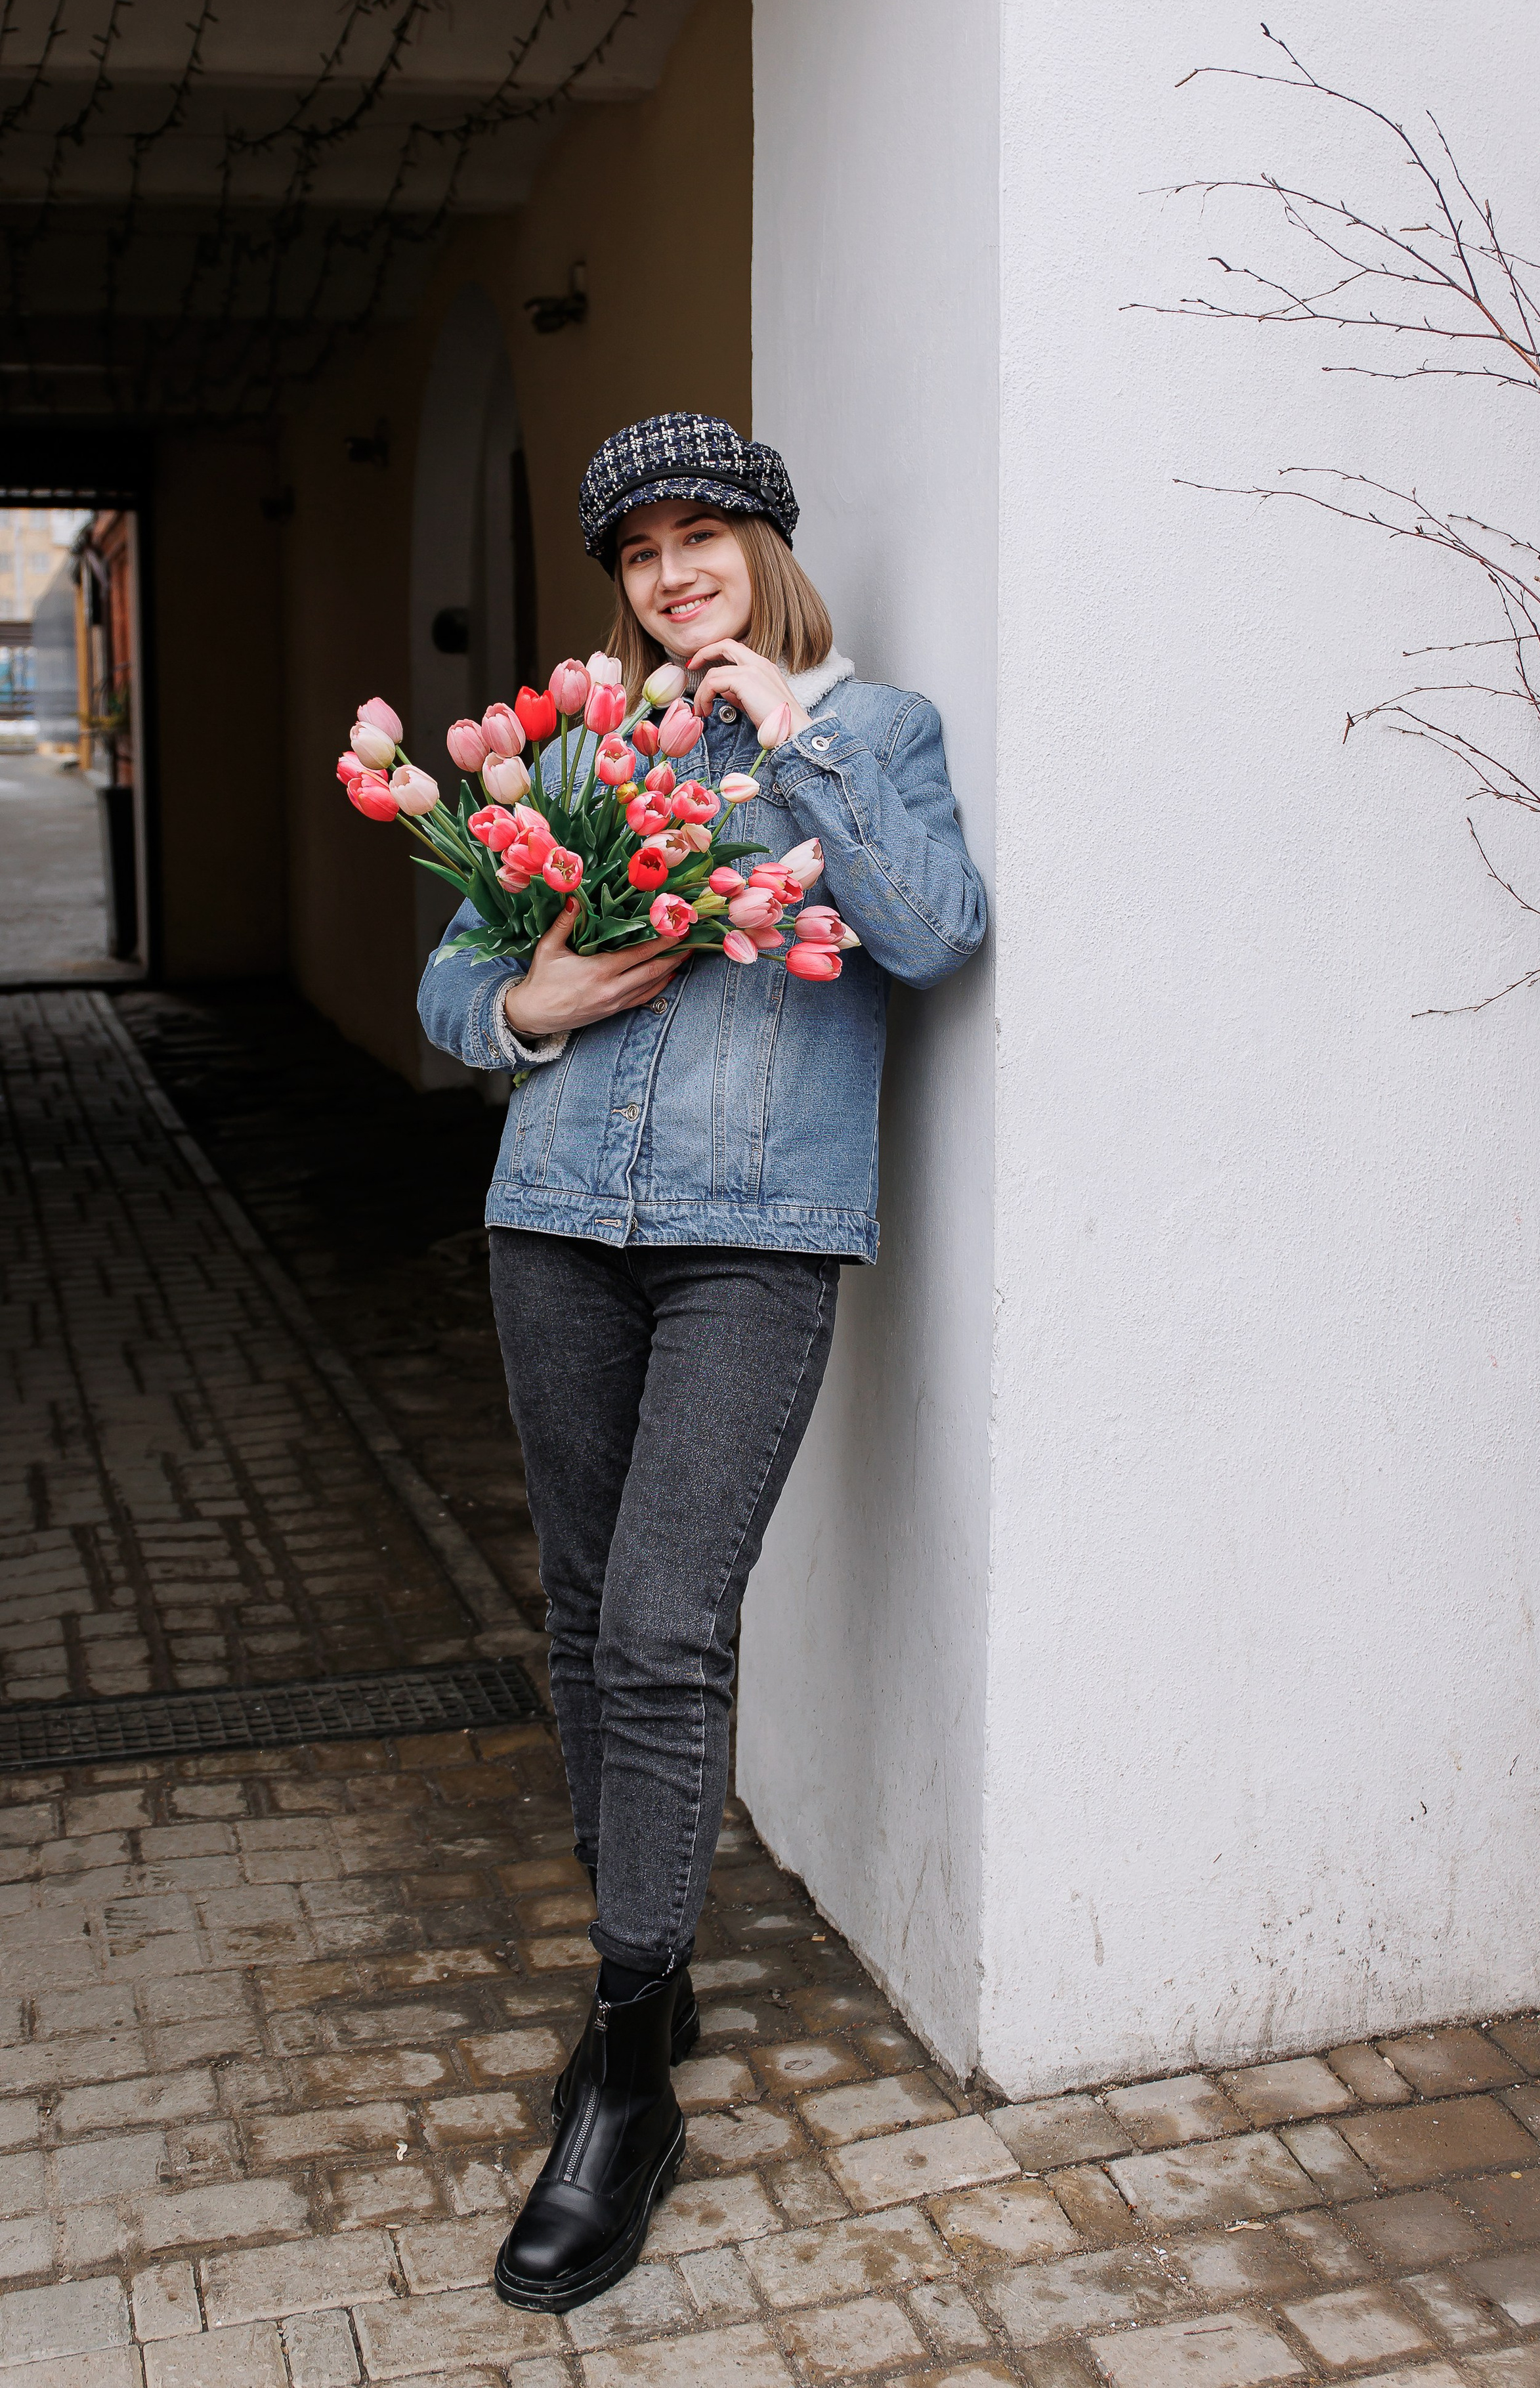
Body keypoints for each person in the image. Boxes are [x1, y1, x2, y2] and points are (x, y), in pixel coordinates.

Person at [417, 411, 987, 2315]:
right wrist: (527, 994)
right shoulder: (584, 748)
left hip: (757, 1236)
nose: (671, 575)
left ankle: (631, 2072)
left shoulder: (872, 731)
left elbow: (932, 930)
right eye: (642, 551)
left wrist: (794, 742)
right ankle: (632, 1992)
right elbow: (448, 978)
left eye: (703, 537)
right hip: (555, 1213)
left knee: (668, 1617)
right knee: (585, 1612)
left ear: (762, 548)